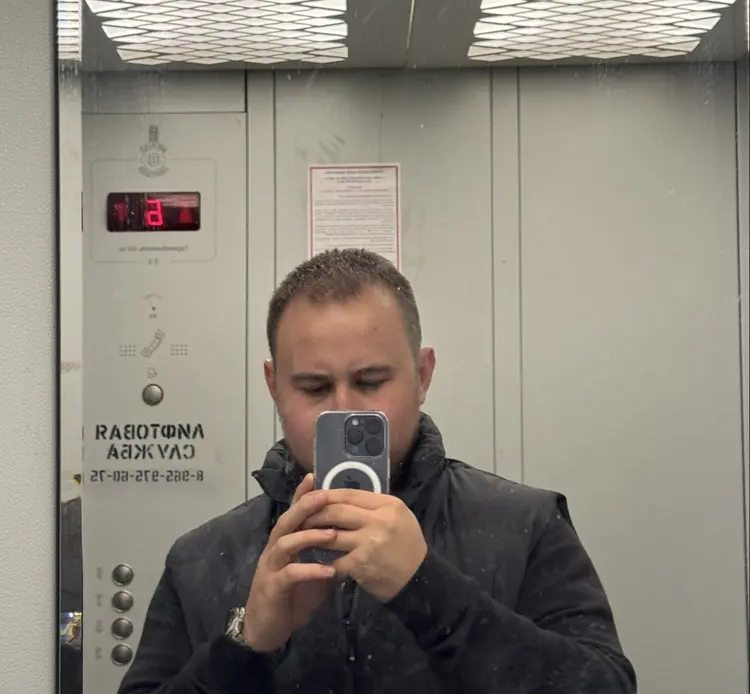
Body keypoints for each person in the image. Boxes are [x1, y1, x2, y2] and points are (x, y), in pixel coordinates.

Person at [118, 248, 637, 694]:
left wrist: (428, 590)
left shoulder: (525, 526)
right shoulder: (201, 558)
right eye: (315, 387)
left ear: (423, 375)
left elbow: (605, 686)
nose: (344, 409)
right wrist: (245, 643)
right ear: (274, 385)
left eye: (370, 382)